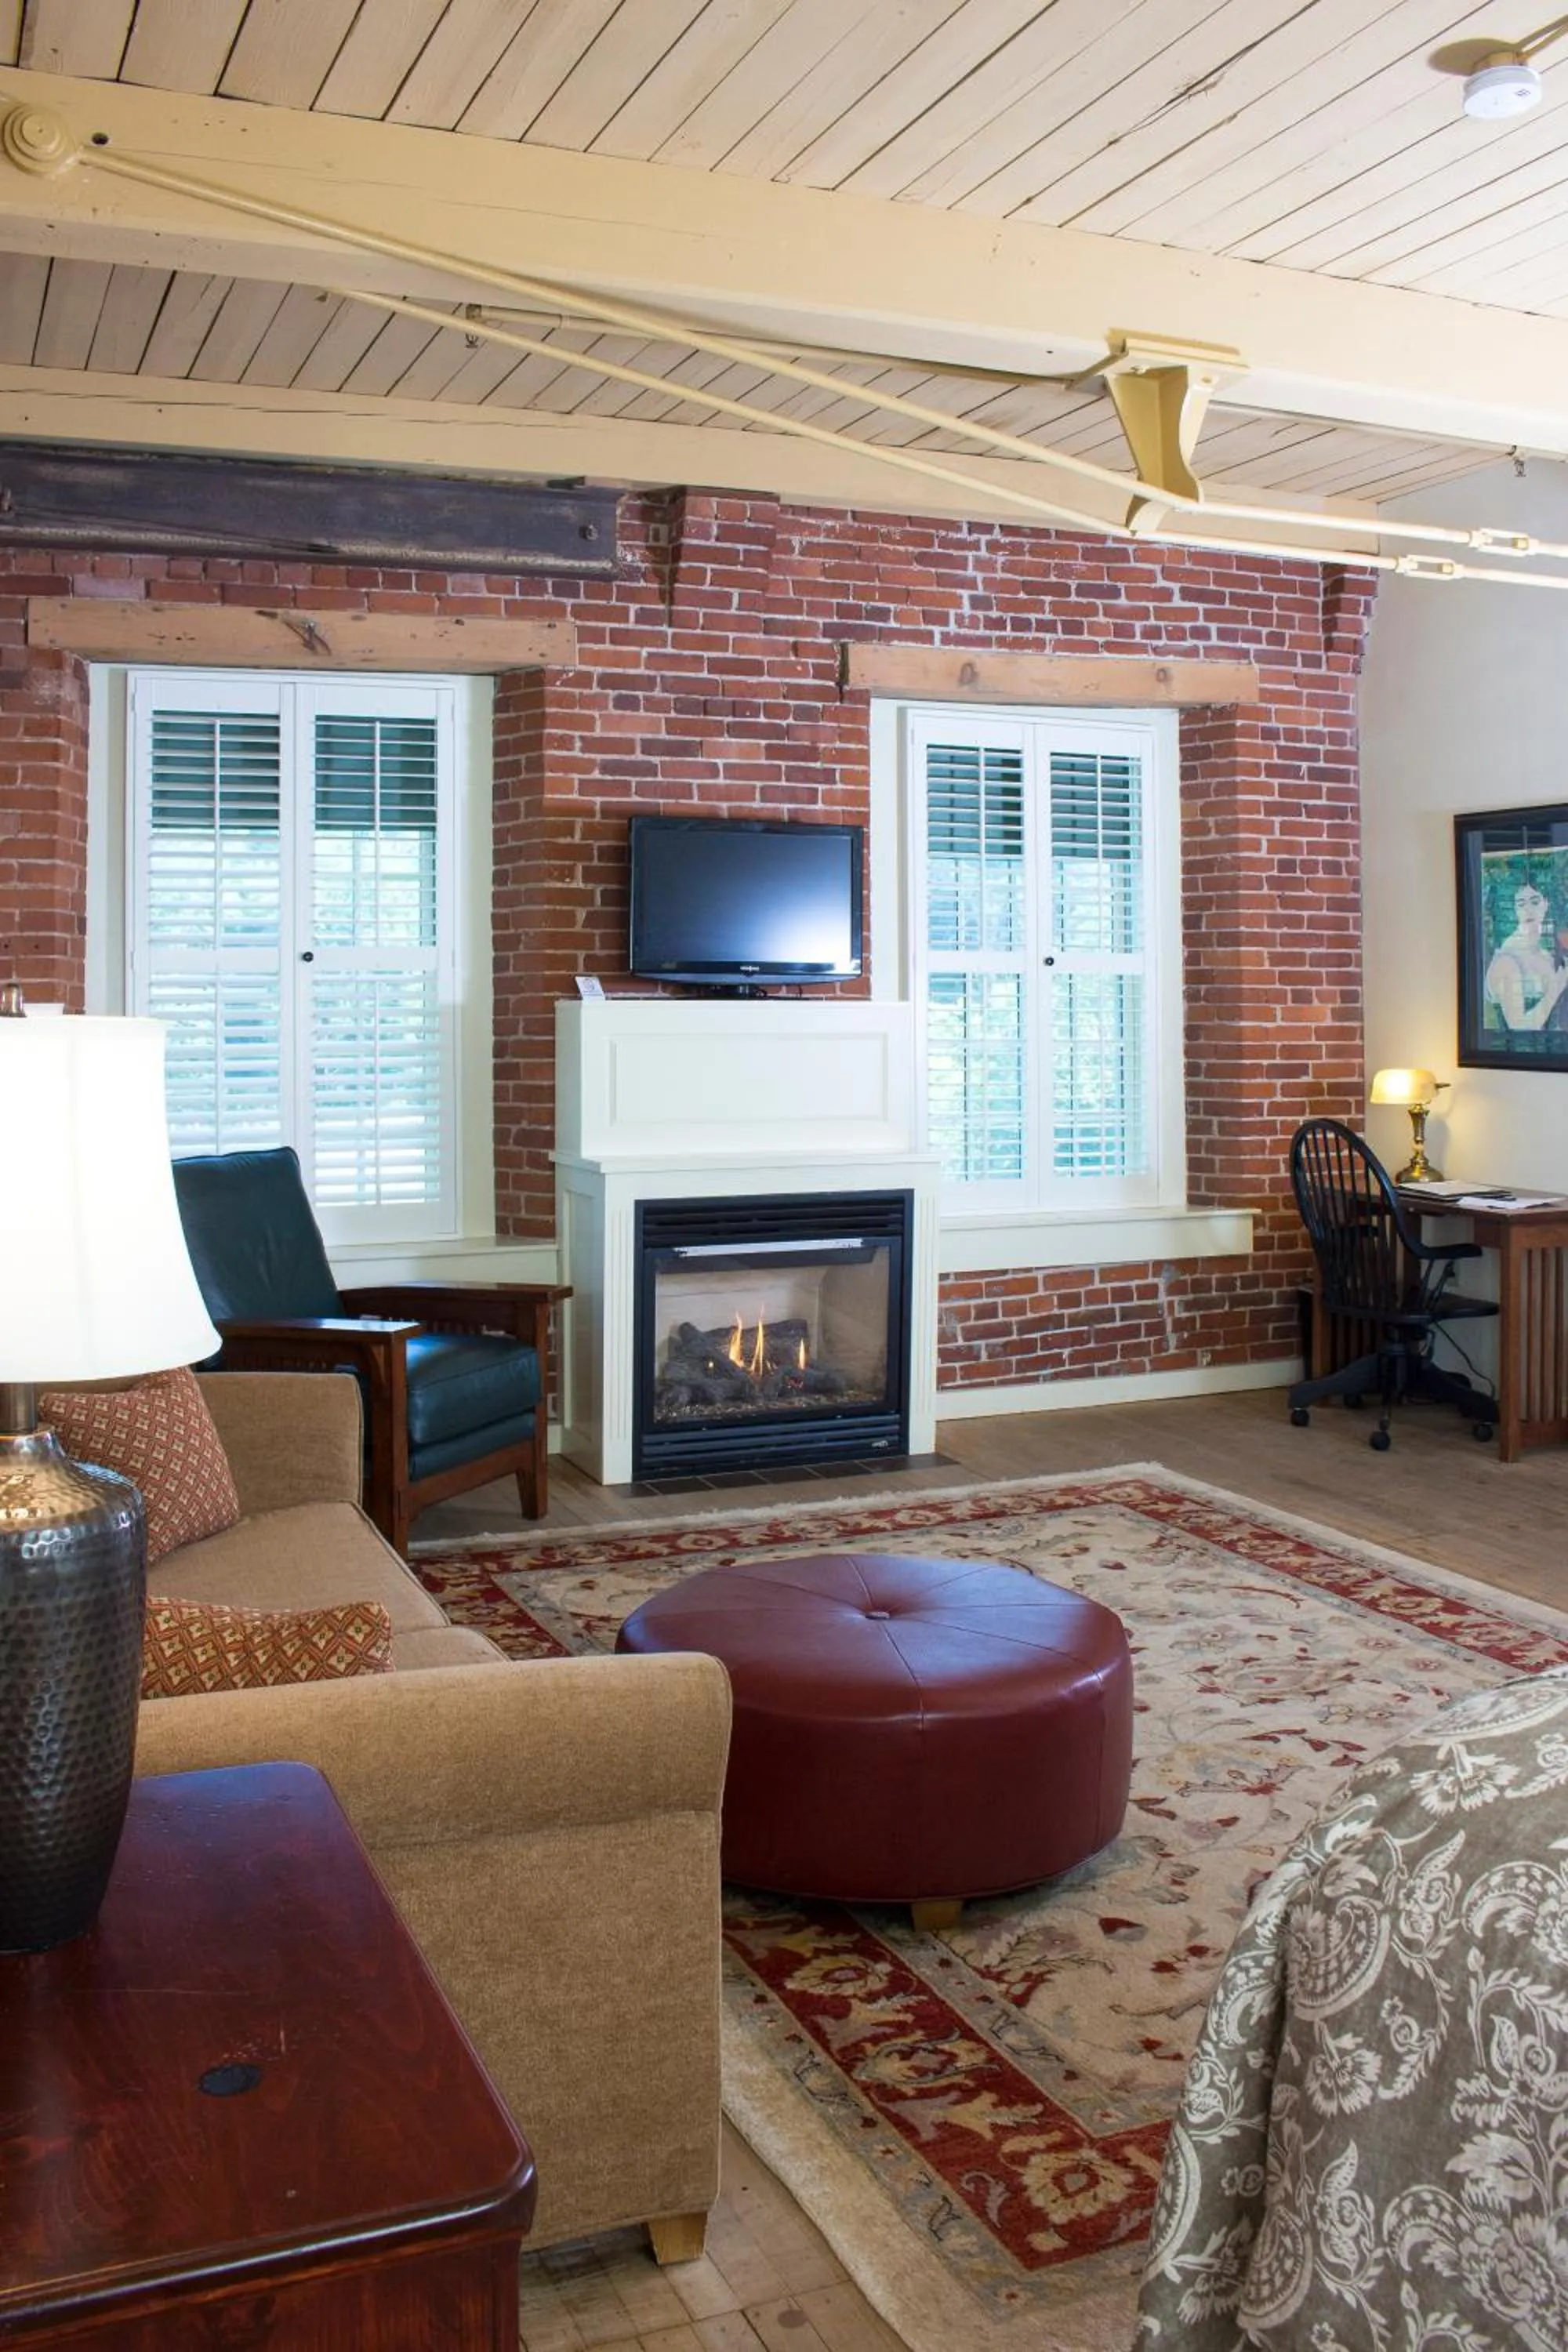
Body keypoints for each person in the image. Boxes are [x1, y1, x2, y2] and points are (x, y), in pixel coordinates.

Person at [1483, 877, 1568, 1030]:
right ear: (1514, 909)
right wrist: (1556, 988)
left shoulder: (1547, 957)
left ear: (1546, 904)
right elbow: (1518, 1027)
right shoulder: (1507, 961)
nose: (1529, 910)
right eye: (1521, 904)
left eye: (1535, 902)